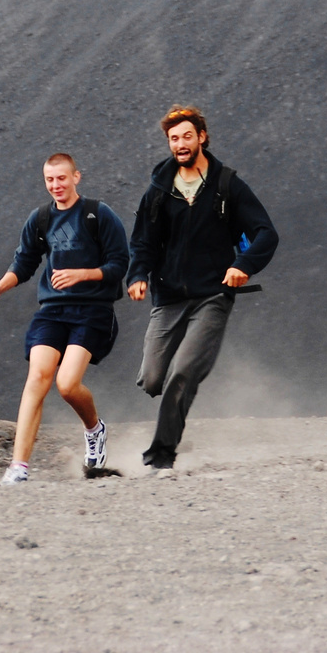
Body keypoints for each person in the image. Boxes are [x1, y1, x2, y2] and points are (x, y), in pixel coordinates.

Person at [127, 106, 279, 469]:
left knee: (184, 372)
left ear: (202, 137)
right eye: (174, 139)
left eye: (187, 136)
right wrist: (137, 275)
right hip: (168, 298)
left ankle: (161, 454)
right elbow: (142, 241)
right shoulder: (159, 191)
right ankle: (162, 402)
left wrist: (242, 265)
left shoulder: (227, 185)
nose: (180, 144)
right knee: (151, 379)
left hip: (212, 296)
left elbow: (266, 234)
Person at [0, 153, 130, 484]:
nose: (56, 185)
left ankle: (94, 429)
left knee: (66, 385)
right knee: (37, 377)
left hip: (93, 311)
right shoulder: (41, 218)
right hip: (52, 311)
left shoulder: (97, 214)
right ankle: (18, 468)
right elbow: (24, 262)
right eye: (50, 180)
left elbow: (120, 263)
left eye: (62, 178)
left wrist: (82, 275)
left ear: (76, 176)